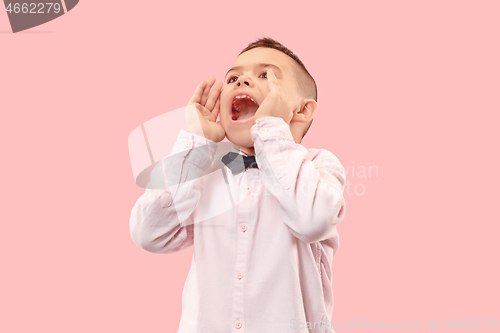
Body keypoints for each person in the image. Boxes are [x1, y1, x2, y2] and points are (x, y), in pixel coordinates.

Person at [129, 37, 347, 333]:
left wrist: (270, 129)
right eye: (233, 77)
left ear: (302, 110)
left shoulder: (320, 166)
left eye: (265, 75)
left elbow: (312, 220)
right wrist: (197, 145)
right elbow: (148, 233)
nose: (242, 80)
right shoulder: (206, 173)